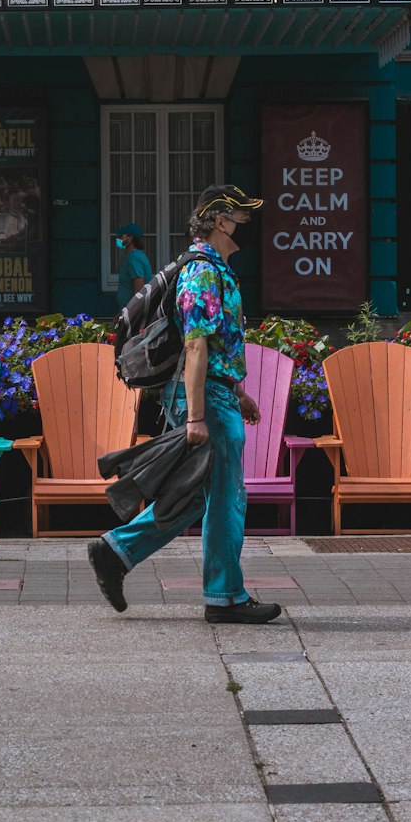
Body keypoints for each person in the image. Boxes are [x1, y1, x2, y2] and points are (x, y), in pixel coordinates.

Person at [89, 183, 282, 625]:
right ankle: (225, 597)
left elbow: (215, 348)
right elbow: (194, 347)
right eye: (243, 217)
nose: (250, 225)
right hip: (204, 399)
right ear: (220, 221)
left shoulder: (215, 270)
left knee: (197, 495)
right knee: (226, 496)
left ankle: (116, 551)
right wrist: (197, 416)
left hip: (216, 392)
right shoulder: (202, 273)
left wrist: (238, 390)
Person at [115, 222, 153, 309]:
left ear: (130, 238)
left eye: (121, 236)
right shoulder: (133, 256)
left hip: (132, 311)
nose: (118, 239)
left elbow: (139, 289)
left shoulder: (134, 258)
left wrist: (128, 311)